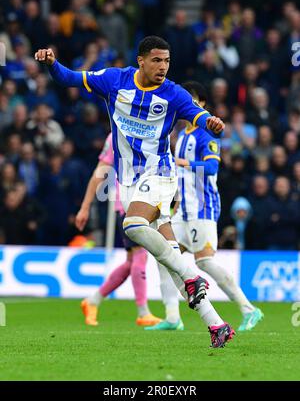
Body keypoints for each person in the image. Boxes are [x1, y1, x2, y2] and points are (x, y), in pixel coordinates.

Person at [35, 36, 234, 348]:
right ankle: (217, 324)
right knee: (171, 262)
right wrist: (51, 64)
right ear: (141, 60)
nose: (163, 67)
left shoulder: (174, 93)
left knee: (132, 224)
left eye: (167, 61)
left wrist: (211, 123)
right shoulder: (115, 80)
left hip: (161, 174)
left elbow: (198, 116)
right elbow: (68, 78)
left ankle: (193, 276)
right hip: (128, 181)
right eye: (157, 60)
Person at [147, 81, 263, 332]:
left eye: (193, 100)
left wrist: (182, 163)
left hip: (203, 208)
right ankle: (172, 317)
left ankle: (249, 309)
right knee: (162, 254)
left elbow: (212, 168)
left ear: (202, 105)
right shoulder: (183, 136)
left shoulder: (206, 133)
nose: (188, 105)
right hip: (183, 211)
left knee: (205, 262)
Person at [75, 133, 161, 327]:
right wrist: (85, 206)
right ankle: (143, 312)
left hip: (146, 201)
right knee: (140, 255)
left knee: (132, 261)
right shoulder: (116, 135)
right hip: (128, 204)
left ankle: (92, 301)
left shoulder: (149, 128)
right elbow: (100, 171)